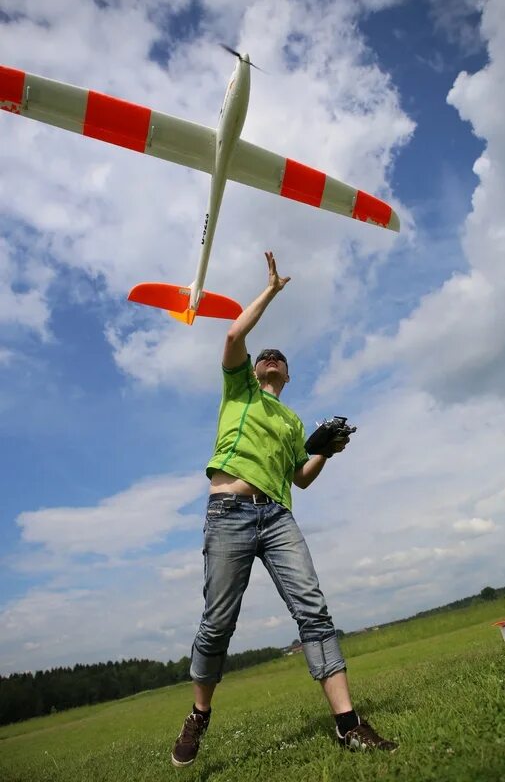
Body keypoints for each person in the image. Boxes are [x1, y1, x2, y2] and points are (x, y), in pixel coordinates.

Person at [171, 252, 398, 767]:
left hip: (277, 517)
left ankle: (347, 725)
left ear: (288, 376)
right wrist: (271, 291)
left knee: (313, 612)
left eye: (280, 357)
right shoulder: (240, 390)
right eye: (264, 354)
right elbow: (231, 338)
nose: (270, 355)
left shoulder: (292, 421)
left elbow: (301, 478)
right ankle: (199, 714)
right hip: (228, 512)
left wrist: (327, 449)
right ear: (254, 369)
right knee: (217, 625)